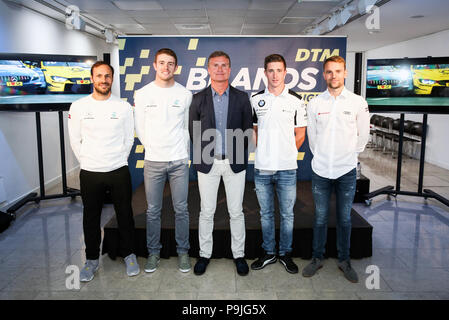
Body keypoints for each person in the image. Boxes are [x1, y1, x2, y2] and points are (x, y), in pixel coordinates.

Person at [68, 61, 139, 282]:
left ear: (112, 79)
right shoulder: (78, 106)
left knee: (125, 214)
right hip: (90, 172)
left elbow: (129, 138)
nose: (103, 80)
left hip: (118, 169)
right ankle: (91, 260)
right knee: (91, 218)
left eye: (107, 76)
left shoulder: (124, 107)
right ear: (92, 78)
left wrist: (118, 158)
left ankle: (129, 254)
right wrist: (88, 160)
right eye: (99, 76)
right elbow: (75, 140)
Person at [302, 55, 370, 283]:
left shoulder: (357, 102)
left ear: (345, 73)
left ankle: (344, 260)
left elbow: (363, 135)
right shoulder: (315, 103)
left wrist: (351, 155)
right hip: (320, 170)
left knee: (344, 218)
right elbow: (312, 137)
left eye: (338, 71)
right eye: (329, 72)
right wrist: (321, 155)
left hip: (346, 171)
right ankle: (316, 258)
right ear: (324, 74)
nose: (334, 76)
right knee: (320, 217)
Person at [189, 51, 253, 276]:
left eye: (224, 65)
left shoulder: (242, 98)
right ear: (208, 69)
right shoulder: (198, 98)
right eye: (215, 65)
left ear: (229, 69)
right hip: (208, 163)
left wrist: (237, 154)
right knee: (206, 212)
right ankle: (204, 254)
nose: (219, 69)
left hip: (234, 162)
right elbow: (193, 132)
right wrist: (204, 157)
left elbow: (247, 131)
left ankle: (239, 255)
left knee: (236, 212)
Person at [134, 48, 193, 273]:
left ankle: (183, 252)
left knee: (182, 209)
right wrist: (154, 148)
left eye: (170, 63)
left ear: (175, 67)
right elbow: (139, 127)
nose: (166, 67)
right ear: (154, 66)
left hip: (178, 160)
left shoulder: (185, 94)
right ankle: (153, 253)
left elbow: (188, 128)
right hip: (153, 161)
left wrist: (182, 152)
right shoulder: (142, 94)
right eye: (162, 63)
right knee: (153, 210)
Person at [250, 54, 307, 274]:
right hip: (262, 168)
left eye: (279, 70)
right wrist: (263, 149)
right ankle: (268, 253)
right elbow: (254, 129)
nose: (274, 75)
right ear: (265, 73)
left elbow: (300, 133)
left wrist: (286, 153)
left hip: (287, 168)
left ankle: (285, 253)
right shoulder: (256, 99)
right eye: (270, 70)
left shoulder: (295, 100)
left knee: (287, 214)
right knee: (266, 214)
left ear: (285, 72)